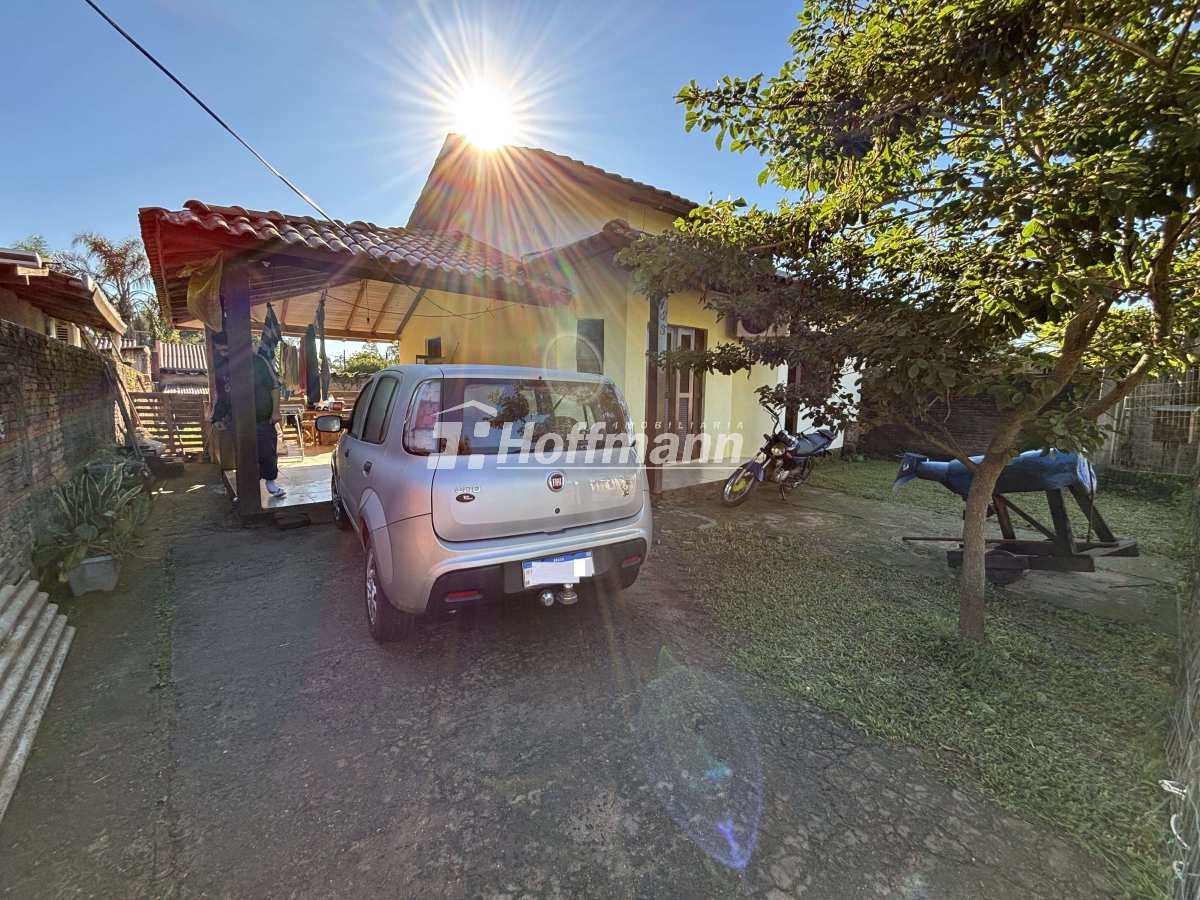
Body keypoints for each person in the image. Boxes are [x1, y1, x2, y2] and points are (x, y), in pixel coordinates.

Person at [253, 350, 286, 498]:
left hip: (263, 418)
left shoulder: (259, 362)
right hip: (239, 421)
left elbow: (275, 387)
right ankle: (247, 489)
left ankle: (270, 482)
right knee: (245, 455)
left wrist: (275, 411)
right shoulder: (226, 364)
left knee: (268, 451)